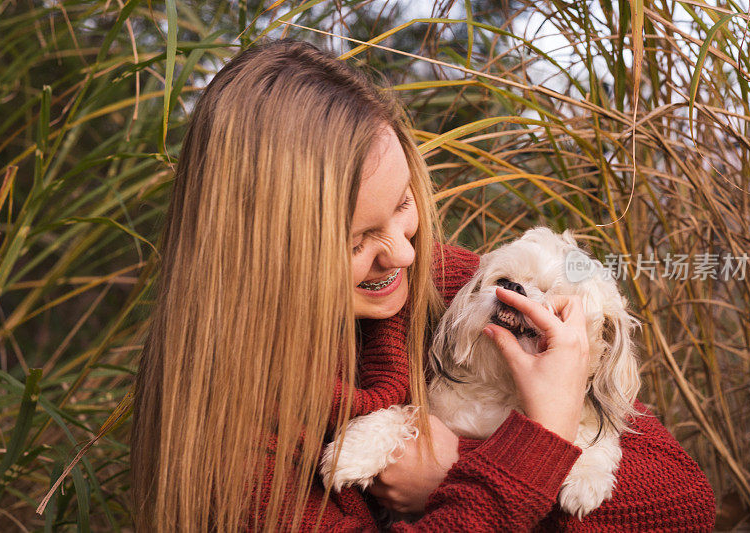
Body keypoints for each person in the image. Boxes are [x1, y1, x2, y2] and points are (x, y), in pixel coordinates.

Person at [130, 39, 715, 531]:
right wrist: (531, 453)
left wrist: (458, 469)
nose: (406, 252)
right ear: (259, 253)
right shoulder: (234, 431)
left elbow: (685, 505)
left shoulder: (452, 288)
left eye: (405, 204)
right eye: (357, 242)